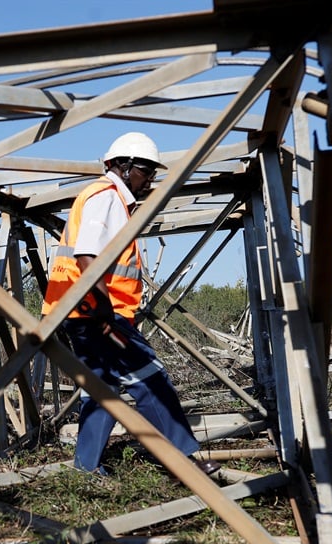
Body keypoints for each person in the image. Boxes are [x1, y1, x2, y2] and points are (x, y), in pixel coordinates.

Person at [42, 132, 221, 478]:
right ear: (121, 167)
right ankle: (184, 460)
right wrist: (105, 312)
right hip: (97, 314)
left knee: (102, 387)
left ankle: (86, 468)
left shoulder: (112, 200)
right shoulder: (106, 197)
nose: (149, 179)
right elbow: (86, 256)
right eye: (144, 170)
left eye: (153, 172)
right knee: (149, 375)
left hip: (83, 312)